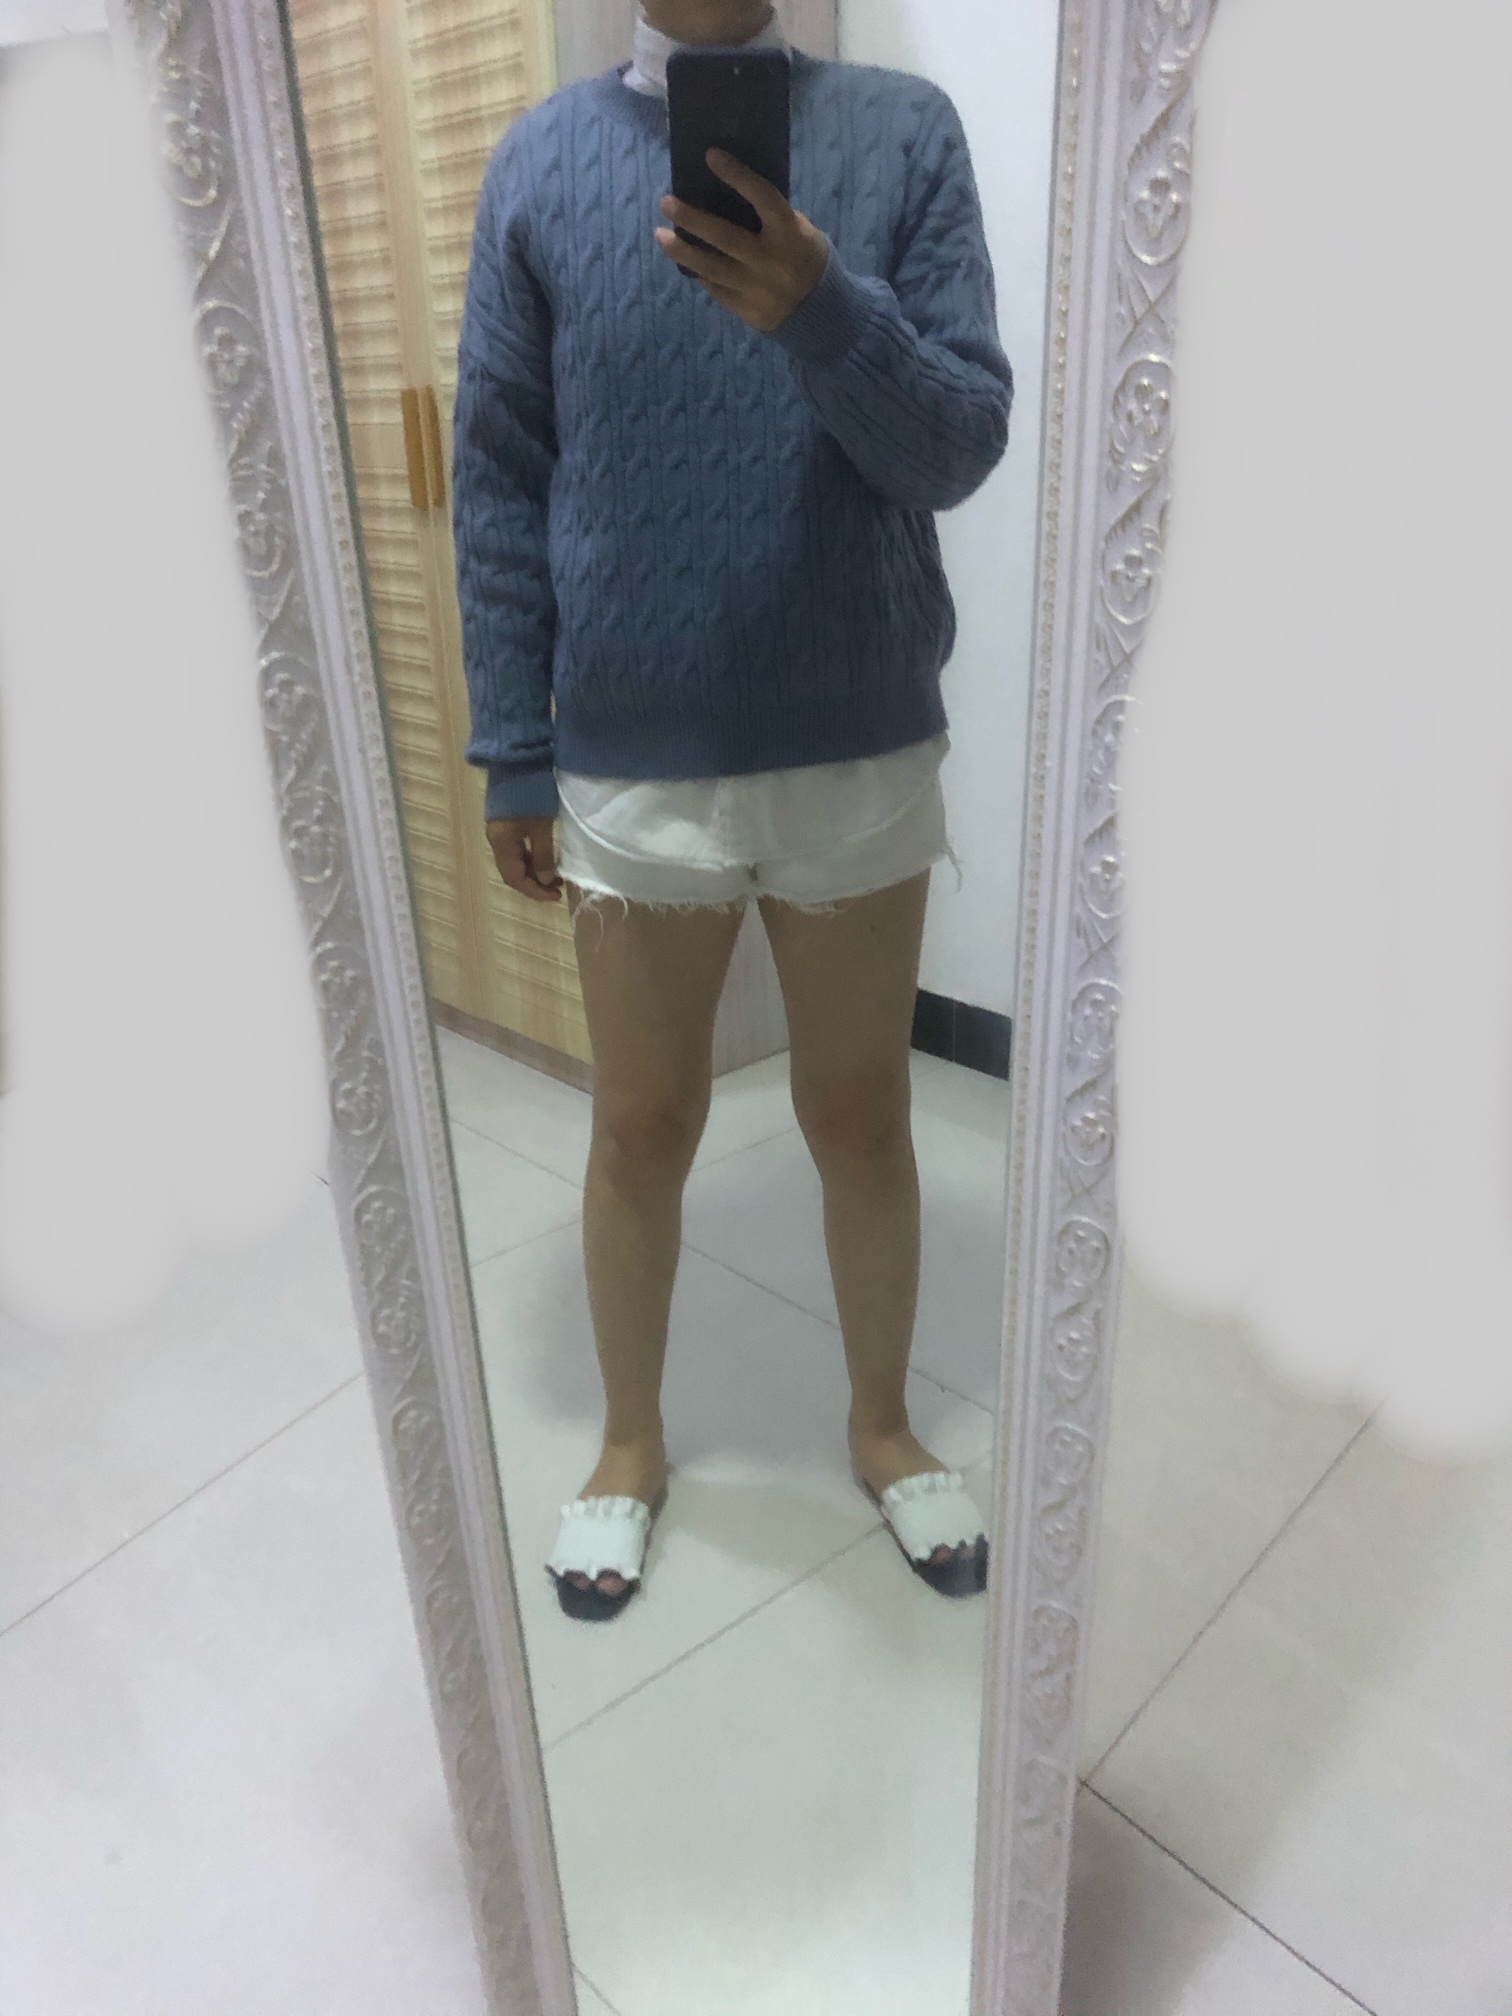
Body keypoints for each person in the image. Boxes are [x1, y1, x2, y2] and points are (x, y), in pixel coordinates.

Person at [453, 0, 1013, 1621]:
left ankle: (884, 1427)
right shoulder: (540, 164)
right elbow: (501, 470)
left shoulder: (903, 137)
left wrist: (823, 310)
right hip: (633, 755)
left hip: (855, 743)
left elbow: (960, 444)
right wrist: (515, 746)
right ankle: (629, 1441)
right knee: (640, 1125)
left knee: (861, 1117)